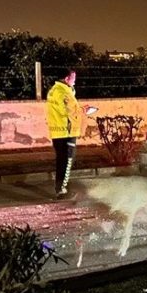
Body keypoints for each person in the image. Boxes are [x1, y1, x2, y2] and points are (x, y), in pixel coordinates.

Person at [45, 69, 92, 200]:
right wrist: (84, 110)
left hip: (57, 131)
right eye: (73, 78)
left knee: (61, 160)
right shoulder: (64, 93)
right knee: (67, 161)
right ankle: (62, 191)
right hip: (67, 131)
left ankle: (60, 188)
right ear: (66, 79)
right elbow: (71, 111)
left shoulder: (53, 90)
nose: (75, 81)